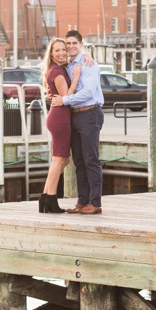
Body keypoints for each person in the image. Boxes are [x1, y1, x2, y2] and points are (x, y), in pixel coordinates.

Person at [51, 30, 104, 214]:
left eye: (74, 43)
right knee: (79, 161)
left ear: (81, 44)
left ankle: (95, 203)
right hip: (74, 115)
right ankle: (82, 201)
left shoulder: (88, 64)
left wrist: (64, 101)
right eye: (68, 44)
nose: (71, 46)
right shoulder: (67, 65)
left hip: (90, 113)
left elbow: (89, 92)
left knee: (91, 159)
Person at [39, 37, 81, 214]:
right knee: (59, 159)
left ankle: (45, 198)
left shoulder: (57, 69)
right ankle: (51, 199)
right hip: (60, 118)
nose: (62, 53)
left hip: (57, 116)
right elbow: (66, 96)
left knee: (62, 159)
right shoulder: (56, 71)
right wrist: (77, 77)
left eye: (64, 49)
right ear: (52, 53)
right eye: (57, 50)